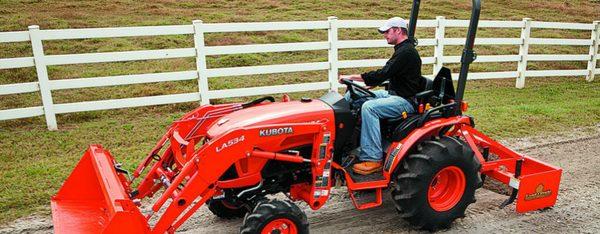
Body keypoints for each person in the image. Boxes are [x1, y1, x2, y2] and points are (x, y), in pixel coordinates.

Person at [338, 17, 423, 175]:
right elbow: (392, 74)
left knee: (369, 108)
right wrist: (368, 84)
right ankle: (343, 144)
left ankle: (373, 158)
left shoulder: (407, 52)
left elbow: (383, 73)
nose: (384, 35)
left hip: (404, 100)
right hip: (392, 93)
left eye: (387, 31)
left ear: (398, 30)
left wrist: (352, 77)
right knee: (354, 95)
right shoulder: (402, 50)